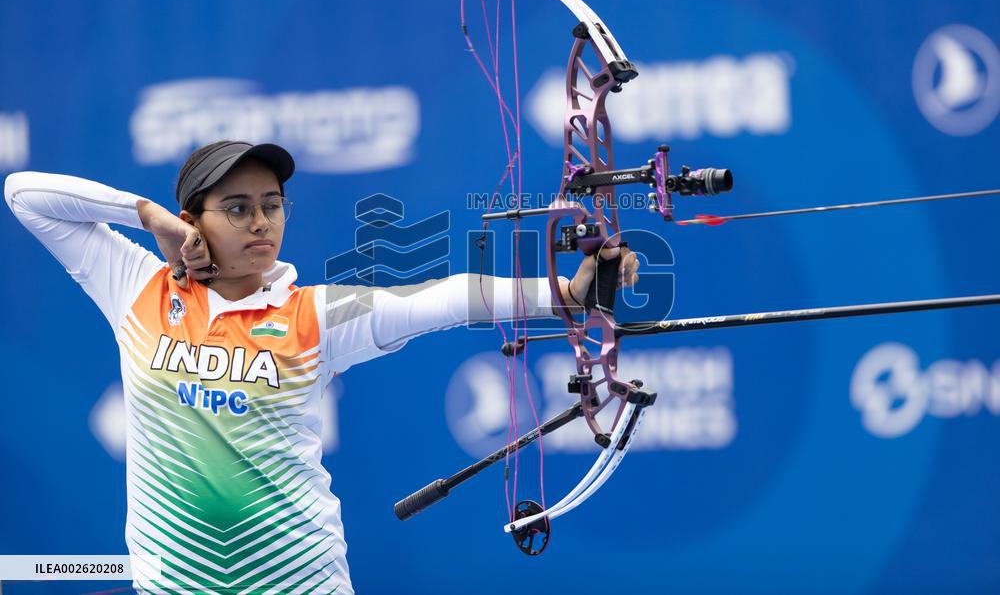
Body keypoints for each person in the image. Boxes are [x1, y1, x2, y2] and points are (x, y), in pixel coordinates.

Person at [3, 140, 639, 594]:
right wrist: (147, 217)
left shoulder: (314, 315)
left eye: (272, 205)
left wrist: (565, 294)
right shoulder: (137, 287)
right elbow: (23, 194)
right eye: (237, 207)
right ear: (192, 220)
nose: (261, 222)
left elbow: (443, 297)